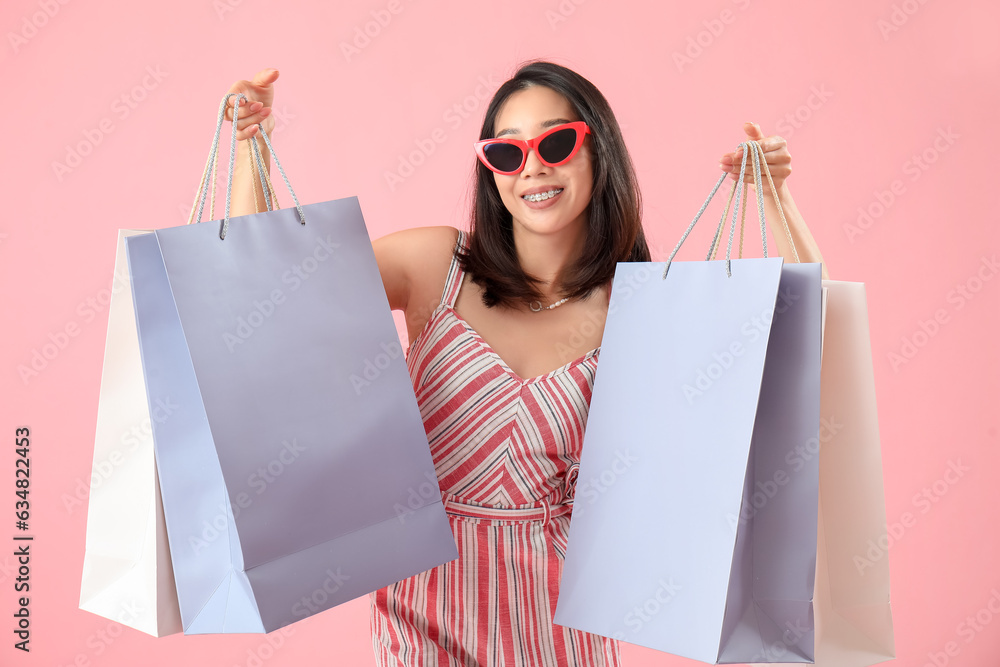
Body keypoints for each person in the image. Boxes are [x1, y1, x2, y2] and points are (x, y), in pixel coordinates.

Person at [222, 60, 827, 666]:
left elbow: (802, 338)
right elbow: (269, 303)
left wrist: (774, 199)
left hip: (562, 624)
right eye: (506, 154)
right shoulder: (435, 265)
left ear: (601, 150)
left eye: (557, 143)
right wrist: (254, 152)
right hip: (421, 612)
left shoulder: (642, 307)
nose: (533, 166)